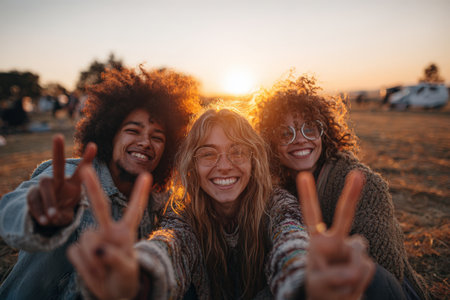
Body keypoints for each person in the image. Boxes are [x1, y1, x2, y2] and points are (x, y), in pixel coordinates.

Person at [68, 108, 378, 300]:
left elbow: (291, 239)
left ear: (254, 160)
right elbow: (171, 246)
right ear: (191, 165)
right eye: (208, 153)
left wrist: (306, 279)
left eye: (237, 152)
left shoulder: (277, 203)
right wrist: (139, 277)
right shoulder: (183, 213)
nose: (224, 166)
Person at [0, 66, 200, 299]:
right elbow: (10, 209)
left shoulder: (155, 201)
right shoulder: (72, 178)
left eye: (157, 137)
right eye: (133, 130)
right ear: (109, 134)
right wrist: (42, 215)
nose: (145, 142)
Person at [252, 75, 429, 300]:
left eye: (310, 129)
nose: (300, 139)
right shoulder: (278, 189)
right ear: (271, 142)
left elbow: (386, 267)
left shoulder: (362, 182)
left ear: (324, 133)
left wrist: (338, 262)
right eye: (286, 133)